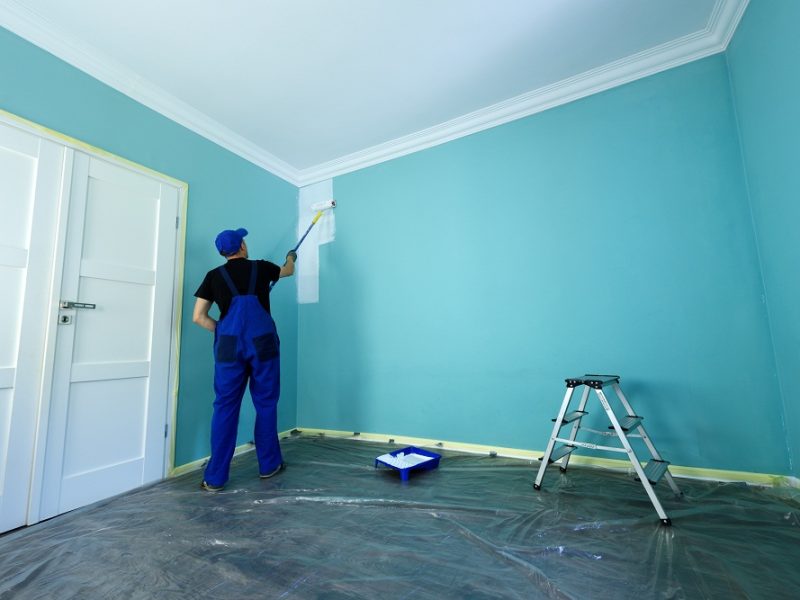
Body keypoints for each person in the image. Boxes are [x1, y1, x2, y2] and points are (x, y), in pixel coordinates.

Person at [193, 227, 296, 491]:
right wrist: (291, 258)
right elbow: (287, 272)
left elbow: (199, 318)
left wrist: (225, 330)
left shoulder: (213, 276)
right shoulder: (261, 268)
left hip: (229, 346)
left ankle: (214, 478)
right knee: (265, 403)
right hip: (262, 343)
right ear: (242, 247)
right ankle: (269, 465)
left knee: (225, 406)